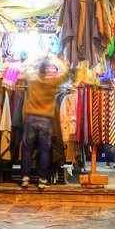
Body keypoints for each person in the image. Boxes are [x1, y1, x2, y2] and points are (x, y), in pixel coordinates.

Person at [20, 59, 68, 190]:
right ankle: (43, 179)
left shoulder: (32, 80)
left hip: (31, 119)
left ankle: (25, 178)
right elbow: (66, 74)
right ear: (46, 71)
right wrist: (57, 60)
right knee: (44, 151)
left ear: (37, 69)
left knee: (27, 150)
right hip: (46, 120)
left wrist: (36, 58)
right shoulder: (51, 82)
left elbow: (24, 68)